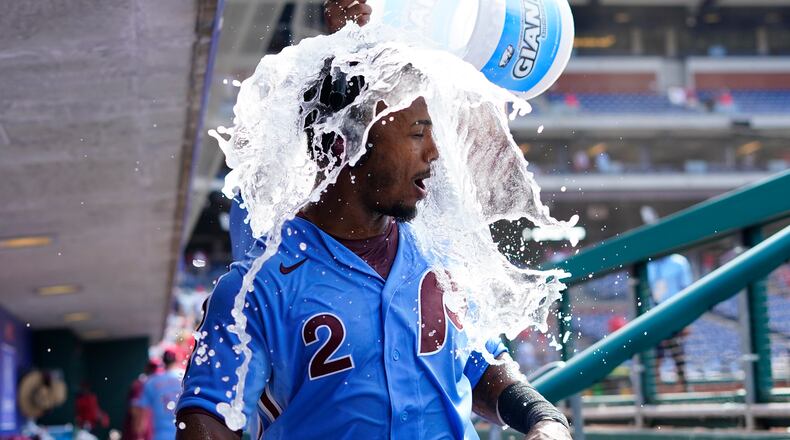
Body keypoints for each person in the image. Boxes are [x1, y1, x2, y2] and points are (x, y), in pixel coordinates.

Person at [176, 3, 571, 439]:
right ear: (342, 144)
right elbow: (208, 416)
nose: (434, 152)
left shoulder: (440, 254)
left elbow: (480, 363)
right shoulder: (259, 284)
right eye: (418, 133)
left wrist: (543, 419)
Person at [134, 350, 183, 440]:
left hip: (161, 435)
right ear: (176, 360)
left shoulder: (151, 381)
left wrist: (140, 435)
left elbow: (142, 415)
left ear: (163, 361)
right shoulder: (185, 376)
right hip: (185, 433)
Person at [123, 360, 160, 440]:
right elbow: (135, 411)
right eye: (152, 368)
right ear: (146, 369)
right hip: (137, 435)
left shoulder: (155, 385)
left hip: (149, 433)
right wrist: (139, 436)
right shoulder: (140, 385)